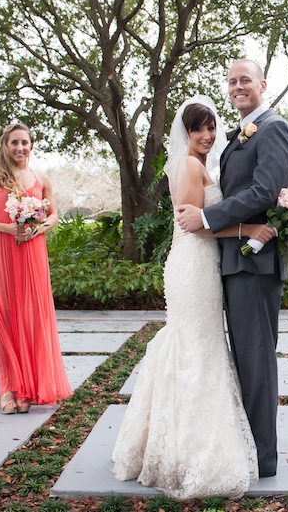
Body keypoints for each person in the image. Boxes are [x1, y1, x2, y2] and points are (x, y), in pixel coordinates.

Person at [112, 96, 276, 499]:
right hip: (192, 265)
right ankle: (184, 449)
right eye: (197, 129)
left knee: (202, 346)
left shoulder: (203, 165)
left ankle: (185, 437)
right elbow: (191, 224)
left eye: (210, 127)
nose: (206, 135)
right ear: (185, 134)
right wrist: (246, 232)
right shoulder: (188, 165)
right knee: (195, 347)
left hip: (205, 267)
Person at [176, 59, 288, 479]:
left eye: (245, 80)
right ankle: (243, 446)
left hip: (255, 263)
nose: (237, 87)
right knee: (243, 362)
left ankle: (262, 460)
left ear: (263, 84)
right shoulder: (236, 138)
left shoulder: (275, 129)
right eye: (231, 82)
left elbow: (265, 190)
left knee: (257, 360)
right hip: (232, 262)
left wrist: (207, 219)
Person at [0, 123, 71, 414]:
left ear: (32, 145)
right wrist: (5, 228)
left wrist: (38, 230)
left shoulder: (41, 179)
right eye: (14, 142)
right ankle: (7, 390)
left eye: (24, 142)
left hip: (31, 255)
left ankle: (26, 388)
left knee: (29, 320)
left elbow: (53, 216)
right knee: (3, 323)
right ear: (5, 145)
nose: (19, 148)